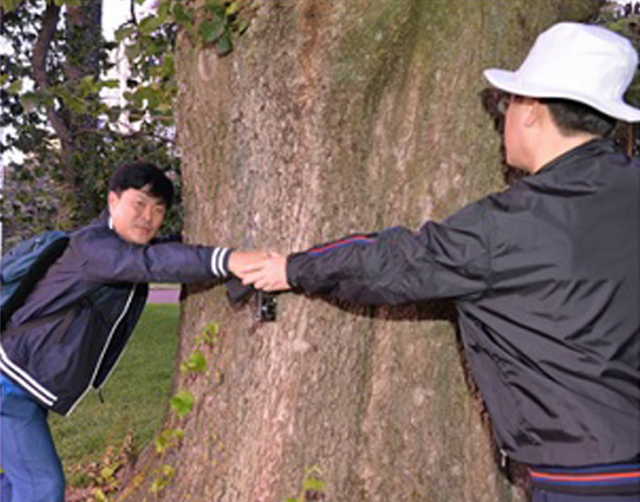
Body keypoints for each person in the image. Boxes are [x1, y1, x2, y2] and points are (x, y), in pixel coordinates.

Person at [237, 23, 640, 502]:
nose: (504, 117)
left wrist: (293, 268)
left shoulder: (511, 225)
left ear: (531, 110)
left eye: (507, 102)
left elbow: (395, 263)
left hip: (585, 478)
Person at [0, 162, 261, 501]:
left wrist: (195, 247)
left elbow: (155, 254)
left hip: (17, 379)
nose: (147, 217)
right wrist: (228, 260)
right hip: (10, 387)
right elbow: (149, 263)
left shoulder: (111, 248)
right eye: (139, 203)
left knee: (11, 484)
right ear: (112, 201)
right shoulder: (93, 248)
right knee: (41, 486)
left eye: (158, 209)